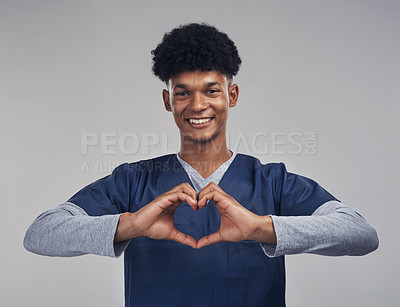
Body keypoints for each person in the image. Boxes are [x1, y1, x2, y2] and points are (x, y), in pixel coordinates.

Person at [24, 23, 379, 306]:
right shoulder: (133, 182)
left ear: (232, 96)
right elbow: (40, 234)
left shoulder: (272, 182)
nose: (197, 105)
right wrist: (130, 225)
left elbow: (361, 234)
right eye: (183, 92)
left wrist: (260, 228)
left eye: (211, 90)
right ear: (168, 100)